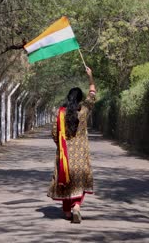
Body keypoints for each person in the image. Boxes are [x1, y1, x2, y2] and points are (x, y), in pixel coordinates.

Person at [47, 66, 96, 224]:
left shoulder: (61, 113)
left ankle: (67, 211)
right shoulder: (84, 111)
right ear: (80, 99)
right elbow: (93, 95)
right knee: (79, 181)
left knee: (66, 180)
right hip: (80, 154)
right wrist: (90, 77)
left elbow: (54, 133)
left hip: (65, 153)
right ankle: (76, 206)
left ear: (68, 98)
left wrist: (60, 145)